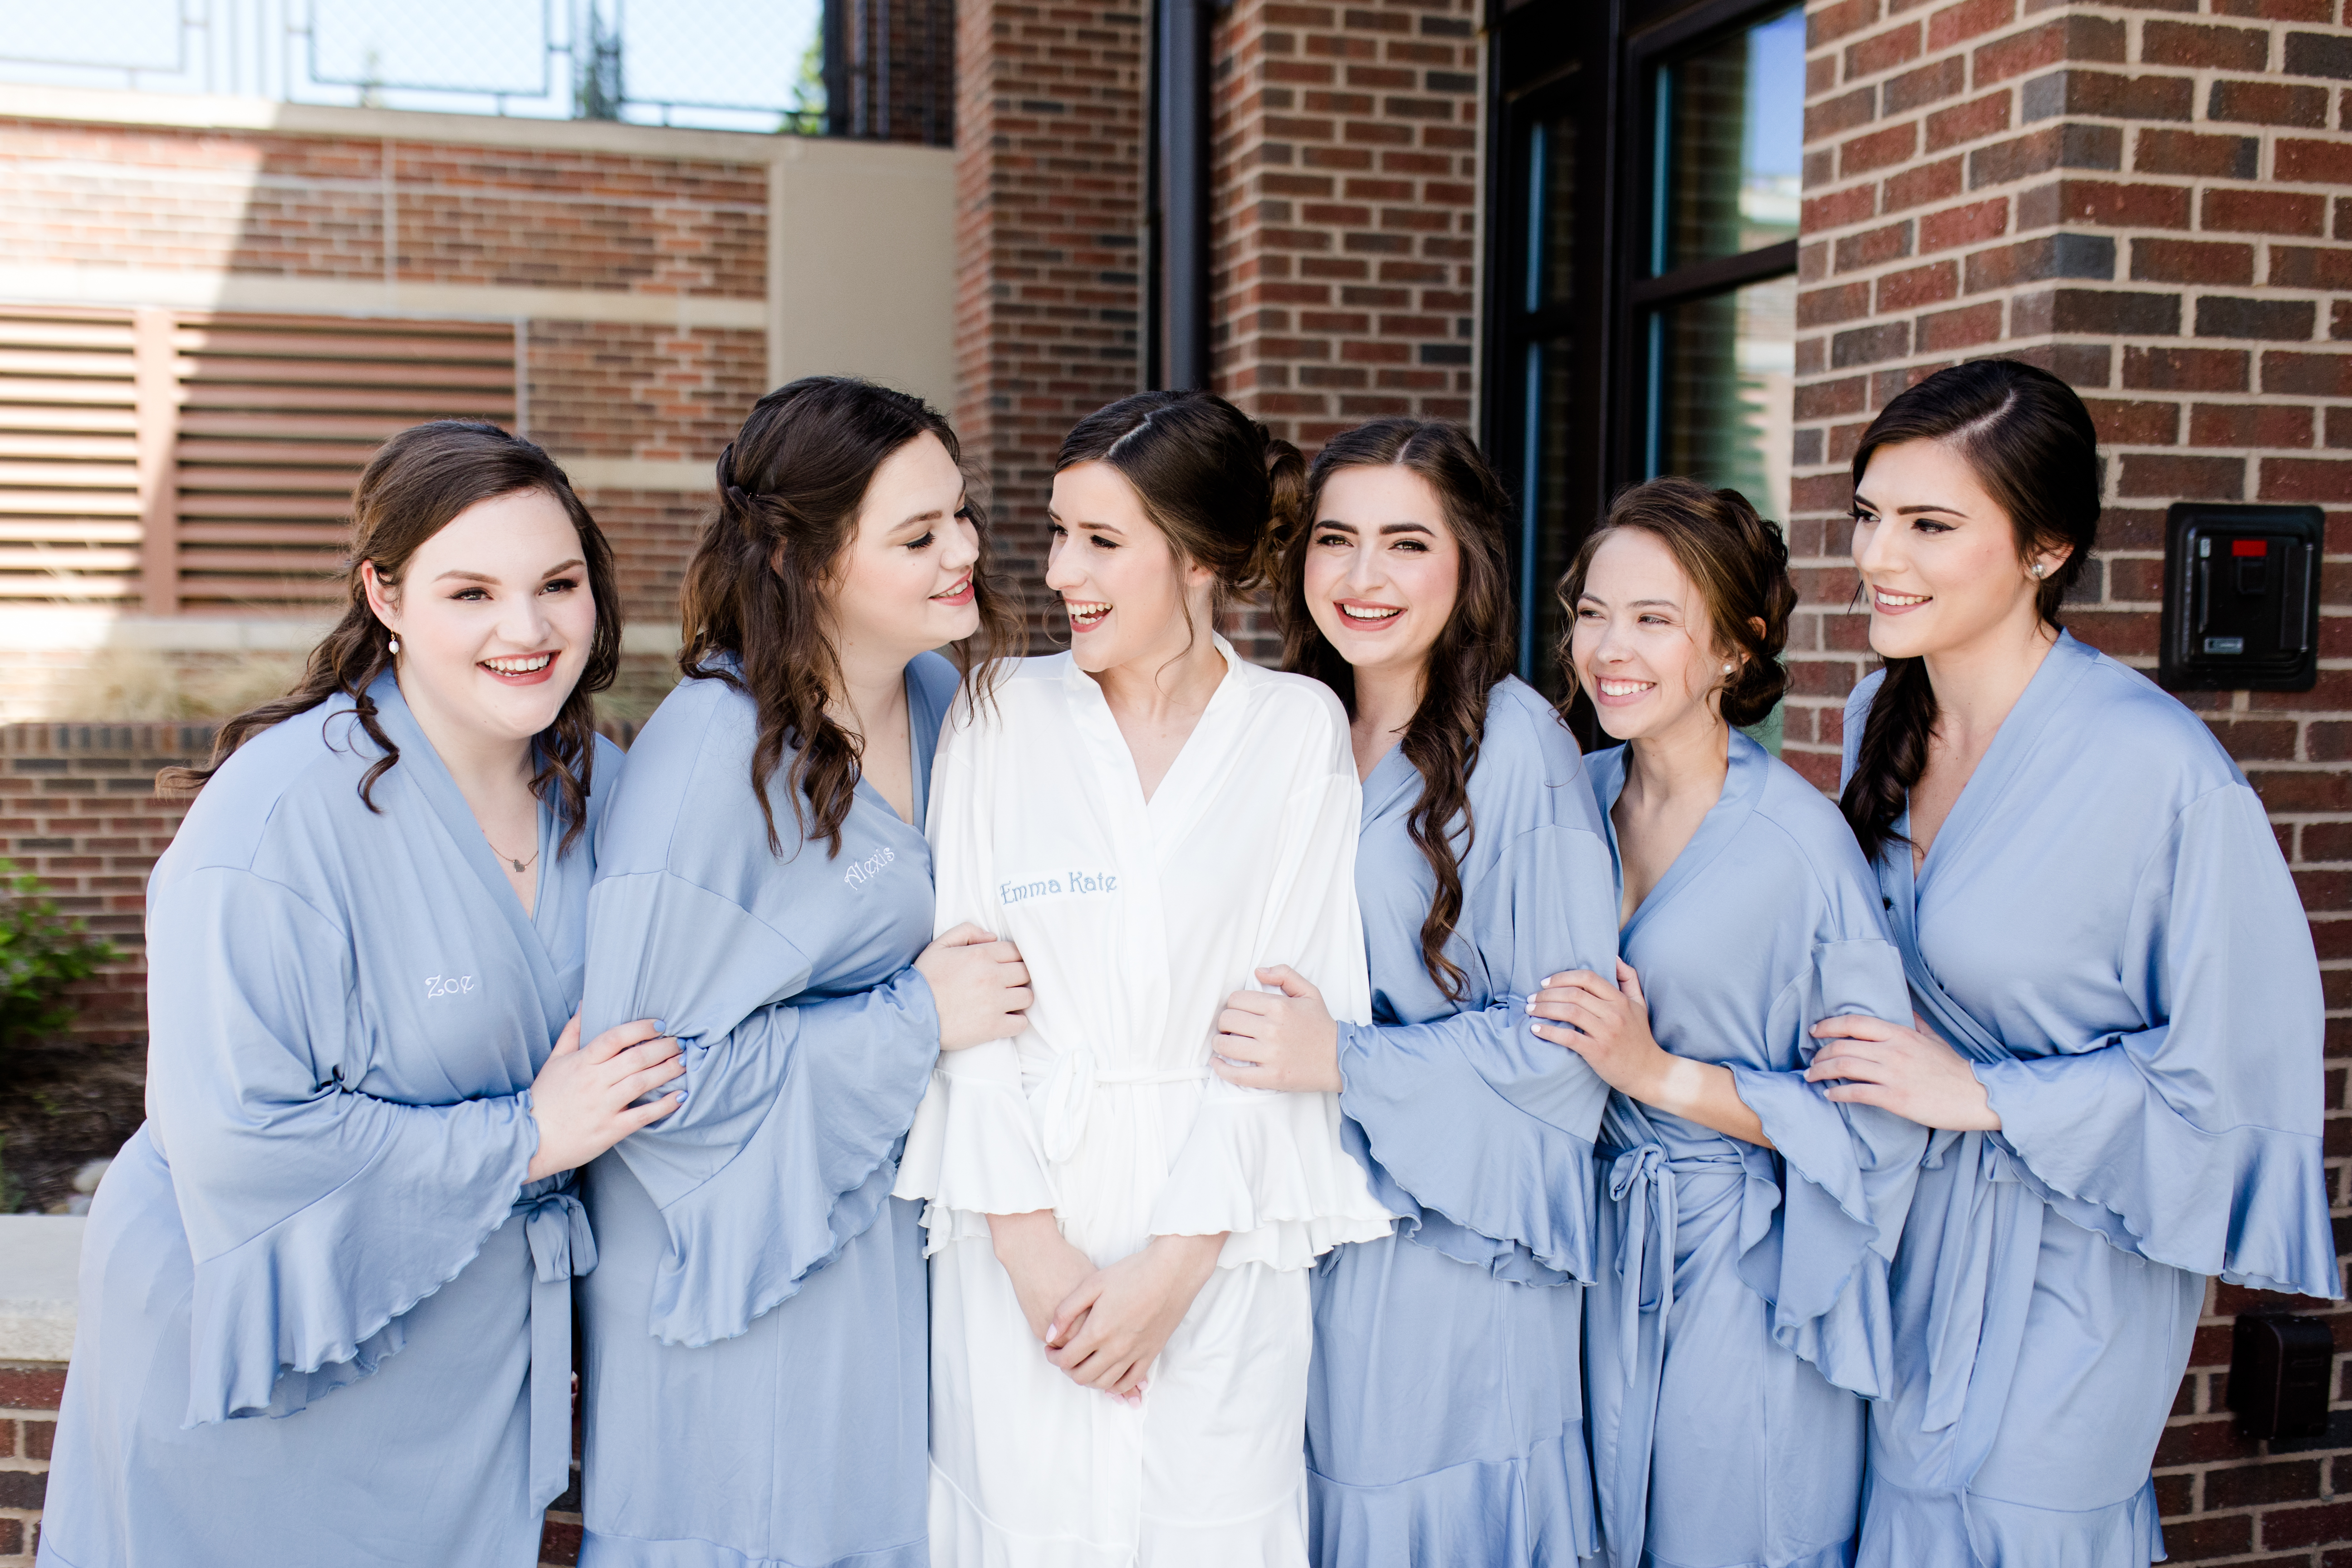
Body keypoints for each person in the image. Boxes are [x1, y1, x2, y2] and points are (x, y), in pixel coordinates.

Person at [36, 422, 683, 1568]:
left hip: (466, 1368)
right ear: (383, 594)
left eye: (558, 583)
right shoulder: (272, 823)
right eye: (470, 591)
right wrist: (529, 1135)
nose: (527, 630)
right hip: (262, 1371)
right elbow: (241, 1136)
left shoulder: (605, 787)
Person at [1809, 358, 2336, 1565]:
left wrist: (1986, 1092)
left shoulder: (2165, 773)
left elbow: (2235, 1090)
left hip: (2075, 1267)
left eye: (1931, 525)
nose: (1880, 557)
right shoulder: (1871, 715)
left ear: (2045, 549)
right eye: (1871, 516)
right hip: (1890, 1235)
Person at [894, 389, 1394, 1564]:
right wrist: (1032, 1257)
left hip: (1221, 1231)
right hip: (1022, 1227)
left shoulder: (1295, 730)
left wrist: (1172, 1273)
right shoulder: (996, 712)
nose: (1063, 570)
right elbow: (967, 1009)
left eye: (1102, 542)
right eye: (1059, 532)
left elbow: (1289, 1024)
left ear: (1204, 559)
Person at [574, 378, 1033, 1568]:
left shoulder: (946, 701)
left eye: (963, 516)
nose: (966, 553)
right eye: (920, 535)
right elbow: (650, 1085)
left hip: (889, 1240)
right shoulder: (709, 764)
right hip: (742, 1275)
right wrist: (915, 1019)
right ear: (799, 557)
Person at [1201, 417, 1617, 1565]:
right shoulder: (1288, 724)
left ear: (1468, 562)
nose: (1363, 577)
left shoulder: (1518, 748)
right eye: (1337, 540)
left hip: (1449, 1253)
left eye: (1405, 543)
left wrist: (1343, 1059)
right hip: (1297, 1221)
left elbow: (1565, 1044)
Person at [1524, 477, 1926, 1568]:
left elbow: (1878, 1124)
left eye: (1655, 619)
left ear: (1736, 651)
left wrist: (1657, 1074)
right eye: (1593, 613)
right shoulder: (1562, 796)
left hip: (1736, 1277)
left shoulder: (1802, 849)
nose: (1610, 646)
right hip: (1584, 1255)